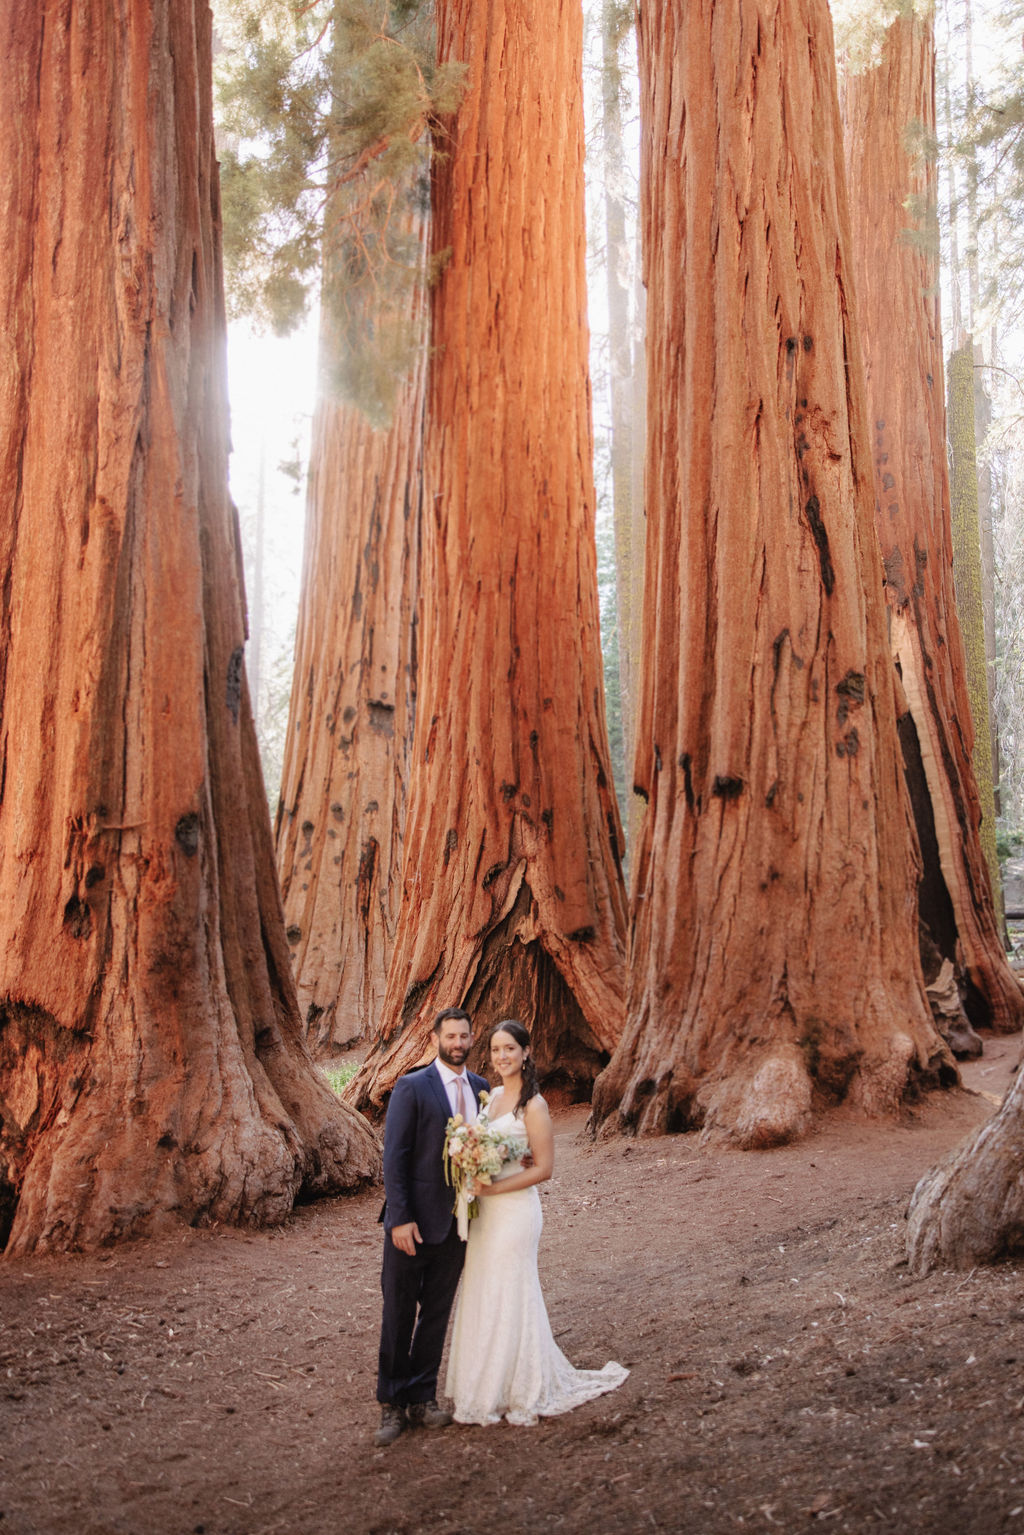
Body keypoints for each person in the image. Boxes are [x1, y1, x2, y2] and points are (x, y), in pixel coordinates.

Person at [445, 1018, 628, 1426]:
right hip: (485, 1213)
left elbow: (544, 1168)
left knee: (512, 1289)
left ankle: (522, 1386)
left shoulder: (535, 1105)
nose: (502, 1056)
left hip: (514, 1211)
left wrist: (495, 1187)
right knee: (483, 1289)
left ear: (526, 1053)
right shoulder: (488, 1099)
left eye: (510, 1048)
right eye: (495, 1049)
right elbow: (484, 1147)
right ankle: (485, 1385)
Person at [374, 1006, 489, 1447]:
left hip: (456, 1225)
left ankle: (423, 1397)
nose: (458, 1044)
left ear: (471, 1037)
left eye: (464, 1036)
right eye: (450, 1037)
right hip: (412, 1225)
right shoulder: (412, 1086)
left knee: (436, 1316)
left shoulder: (481, 1089)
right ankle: (391, 1403)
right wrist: (399, 1218)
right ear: (435, 1039)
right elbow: (394, 1157)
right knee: (398, 1315)